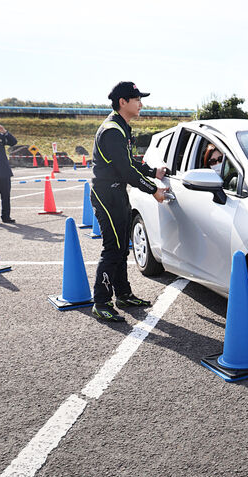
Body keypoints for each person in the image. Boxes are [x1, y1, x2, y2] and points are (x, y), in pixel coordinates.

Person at [90, 81, 167, 322]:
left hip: (117, 193)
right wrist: (153, 189)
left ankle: (123, 294)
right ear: (123, 102)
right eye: (137, 99)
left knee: (123, 247)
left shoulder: (121, 126)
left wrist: (153, 172)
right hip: (106, 196)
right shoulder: (112, 130)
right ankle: (101, 302)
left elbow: (129, 162)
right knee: (113, 249)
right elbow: (125, 170)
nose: (141, 104)